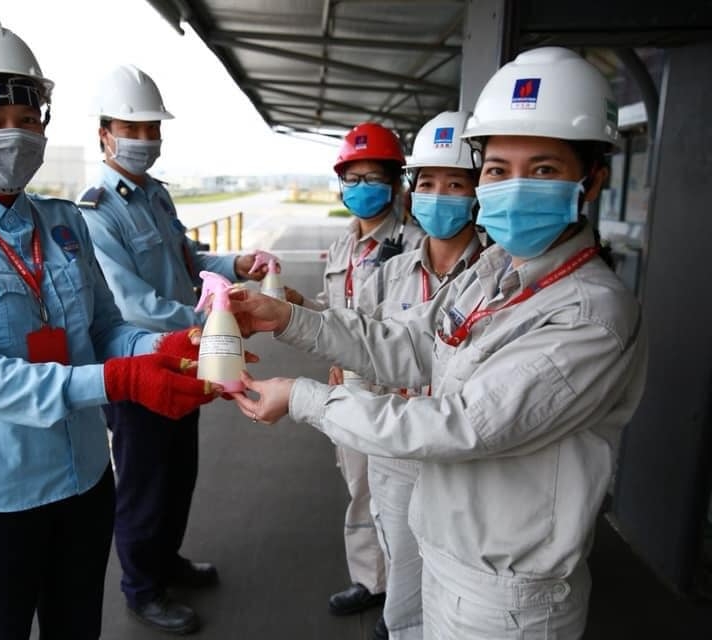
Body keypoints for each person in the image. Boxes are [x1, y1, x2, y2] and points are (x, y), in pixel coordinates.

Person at [228, 46, 647, 639]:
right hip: (445, 550)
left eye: (543, 170)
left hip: (506, 599)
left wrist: (302, 398)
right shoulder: (494, 273)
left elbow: (462, 424)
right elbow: (409, 343)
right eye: (497, 169)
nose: (513, 187)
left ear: (593, 179)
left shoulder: (589, 314)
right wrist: (287, 318)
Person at [0, 22, 219, 640]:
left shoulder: (65, 223)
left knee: (78, 629)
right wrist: (120, 380)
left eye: (25, 119)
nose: (13, 135)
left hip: (86, 482)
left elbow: (105, 328)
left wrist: (161, 348)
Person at [77, 64, 269, 635]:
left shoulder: (155, 197)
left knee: (179, 469)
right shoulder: (97, 212)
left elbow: (189, 262)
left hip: (185, 353)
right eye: (131, 129)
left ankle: (166, 560)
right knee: (145, 480)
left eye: (152, 128)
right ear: (104, 134)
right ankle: (142, 587)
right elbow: (131, 304)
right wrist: (213, 322)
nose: (144, 139)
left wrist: (235, 264)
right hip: (139, 361)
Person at [282, 121, 424, 628]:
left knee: (397, 500)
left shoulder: (414, 244)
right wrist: (303, 305)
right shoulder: (345, 243)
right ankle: (371, 580)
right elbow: (339, 313)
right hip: (349, 382)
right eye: (352, 178)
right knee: (359, 486)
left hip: (396, 389)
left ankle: (402, 601)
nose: (361, 188)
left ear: (395, 183)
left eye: (373, 178)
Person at [354, 110, 482, 640]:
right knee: (403, 572)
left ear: (478, 193)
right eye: (427, 183)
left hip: (464, 458)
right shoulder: (388, 274)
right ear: (411, 192)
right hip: (394, 451)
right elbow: (359, 347)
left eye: (456, 184)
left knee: (458, 583)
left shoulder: (498, 277)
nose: (438, 196)